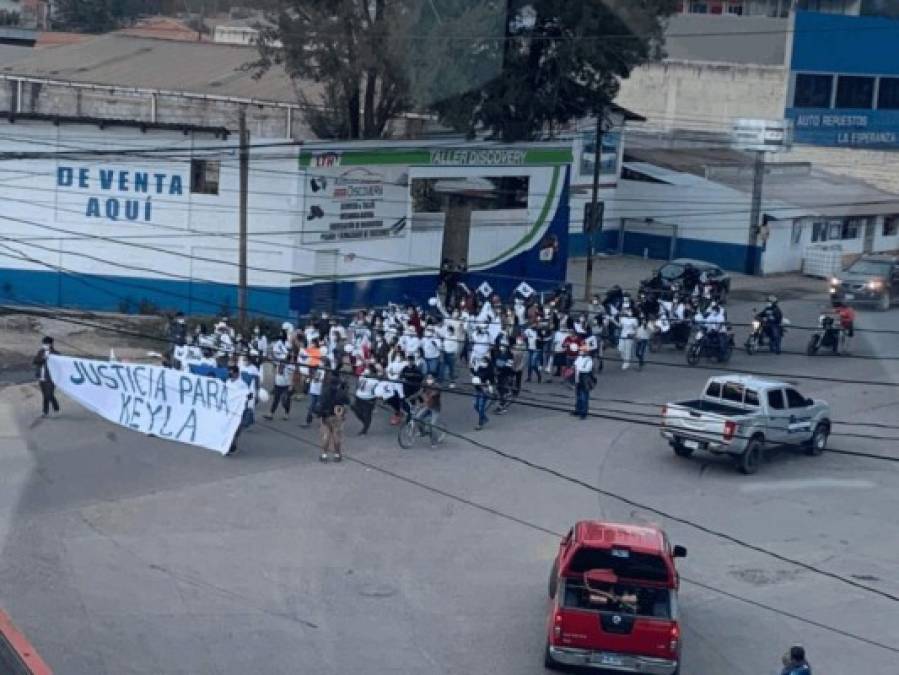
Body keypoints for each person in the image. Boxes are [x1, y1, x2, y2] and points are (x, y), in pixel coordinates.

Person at [317, 370, 350, 462]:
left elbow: (321, 404)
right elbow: (348, 402)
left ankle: (324, 455)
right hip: (338, 416)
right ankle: (337, 455)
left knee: (326, 435)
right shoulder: (341, 392)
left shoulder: (325, 391)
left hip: (326, 416)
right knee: (337, 436)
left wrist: (320, 414)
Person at [225, 365, 254, 456]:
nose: (230, 374)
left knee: (235, 429)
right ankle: (228, 445)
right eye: (229, 372)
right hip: (228, 409)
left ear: (237, 373)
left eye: (232, 373)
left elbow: (249, 395)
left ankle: (233, 446)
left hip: (238, 411)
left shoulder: (242, 384)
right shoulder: (228, 382)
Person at [33, 336, 60, 417]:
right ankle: (50, 410)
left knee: (48, 394)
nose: (44, 345)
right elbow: (35, 361)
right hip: (41, 377)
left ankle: (51, 410)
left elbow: (59, 366)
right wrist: (43, 359)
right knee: (46, 395)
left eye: (46, 343)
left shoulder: (56, 354)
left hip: (51, 378)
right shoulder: (40, 352)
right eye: (43, 343)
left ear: (51, 344)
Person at [414, 374, 442, 448]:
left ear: (433, 379)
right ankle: (422, 432)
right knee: (417, 418)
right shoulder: (425, 385)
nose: (429, 380)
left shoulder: (437, 386)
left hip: (435, 409)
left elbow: (432, 395)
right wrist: (410, 398)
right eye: (428, 379)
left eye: (431, 379)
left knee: (432, 425)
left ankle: (434, 443)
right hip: (428, 406)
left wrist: (423, 403)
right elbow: (419, 392)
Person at [351, 363, 378, 435]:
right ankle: (365, 423)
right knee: (354, 408)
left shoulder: (375, 380)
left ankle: (365, 429)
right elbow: (358, 384)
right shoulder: (363, 375)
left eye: (368, 369)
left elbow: (376, 391)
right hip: (359, 396)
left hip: (368, 398)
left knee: (367, 414)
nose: (366, 370)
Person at [264, 356, 294, 421]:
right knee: (276, 400)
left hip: (286, 386)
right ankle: (271, 414)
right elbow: (271, 360)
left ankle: (286, 413)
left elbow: (291, 376)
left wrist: (291, 385)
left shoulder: (290, 366)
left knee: (285, 401)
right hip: (278, 385)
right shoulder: (278, 364)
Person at [471, 356, 494, 431]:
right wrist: (472, 368)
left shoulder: (490, 372)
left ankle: (480, 423)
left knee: (481, 407)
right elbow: (475, 374)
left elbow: (491, 382)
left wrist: (487, 385)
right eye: (482, 361)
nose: (482, 363)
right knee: (475, 405)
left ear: (488, 363)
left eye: (484, 362)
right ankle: (484, 418)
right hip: (477, 389)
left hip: (484, 391)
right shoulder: (480, 368)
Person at [572, 345, 594, 420]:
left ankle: (584, 412)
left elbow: (586, 370)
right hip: (577, 379)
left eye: (581, 350)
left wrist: (578, 368)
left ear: (586, 352)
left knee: (584, 397)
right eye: (580, 350)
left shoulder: (589, 360)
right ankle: (578, 410)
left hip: (585, 381)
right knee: (578, 396)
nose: (580, 352)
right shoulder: (579, 358)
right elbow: (575, 365)